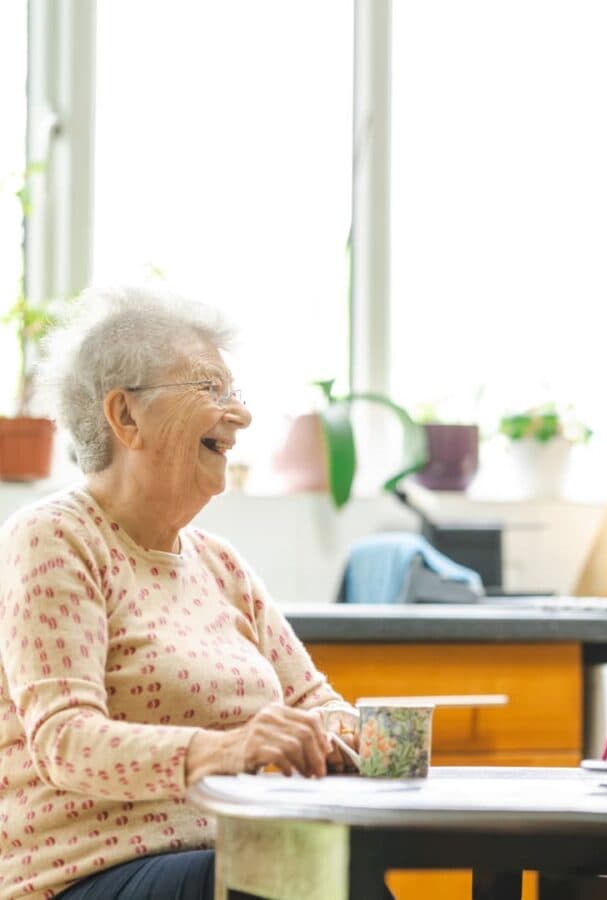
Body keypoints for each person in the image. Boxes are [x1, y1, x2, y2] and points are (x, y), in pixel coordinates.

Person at [0, 285, 362, 900]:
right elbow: (64, 740)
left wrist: (356, 735)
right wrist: (224, 750)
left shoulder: (221, 565)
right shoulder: (55, 539)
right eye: (208, 388)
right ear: (126, 416)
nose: (239, 415)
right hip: (82, 874)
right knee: (290, 878)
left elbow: (315, 702)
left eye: (235, 394)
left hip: (228, 858)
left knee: (339, 873)